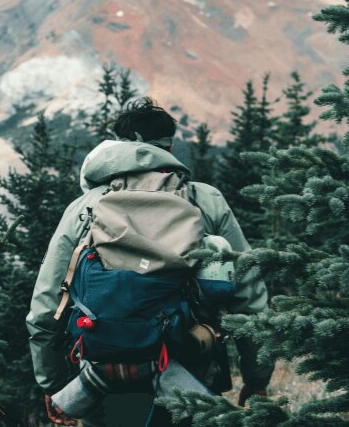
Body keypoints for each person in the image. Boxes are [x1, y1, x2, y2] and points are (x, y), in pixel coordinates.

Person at [26, 98, 273, 426]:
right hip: (190, 373)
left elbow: (46, 306)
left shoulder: (85, 208)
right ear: (170, 146)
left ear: (116, 146)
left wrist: (56, 385)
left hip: (103, 377)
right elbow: (250, 299)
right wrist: (256, 379)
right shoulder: (205, 200)